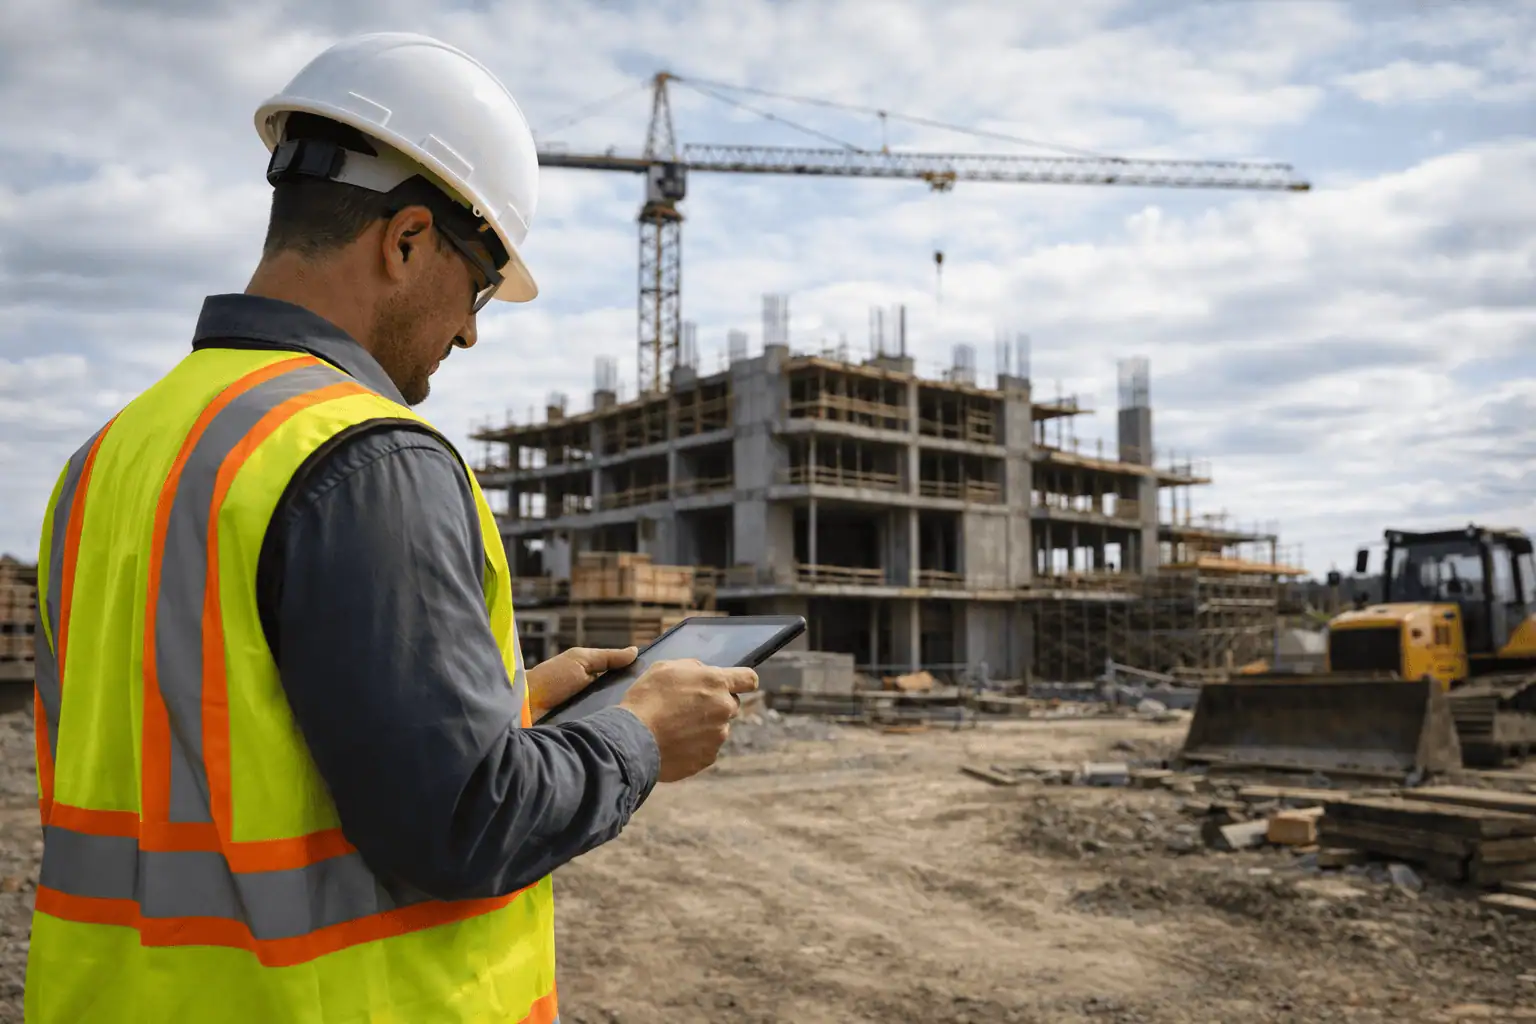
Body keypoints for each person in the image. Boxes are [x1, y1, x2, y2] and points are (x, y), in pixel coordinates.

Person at [24, 31, 756, 1024]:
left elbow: (225, 738)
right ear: (406, 240)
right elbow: (463, 823)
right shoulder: (366, 456)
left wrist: (515, 705)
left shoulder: (111, 455)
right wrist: (638, 738)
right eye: (481, 286)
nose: (470, 331)